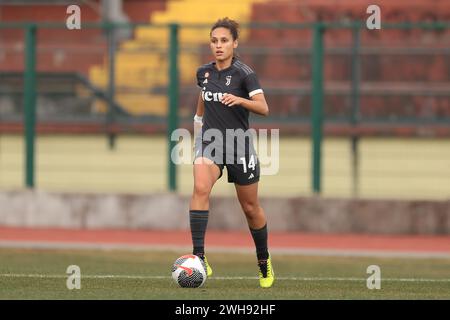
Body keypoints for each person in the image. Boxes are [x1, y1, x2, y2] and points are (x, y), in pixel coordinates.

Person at [189, 17, 274, 288]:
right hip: (210, 142)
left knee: (250, 208)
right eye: (214, 41)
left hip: (239, 145)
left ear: (235, 43)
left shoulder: (244, 74)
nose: (218, 45)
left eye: (224, 40)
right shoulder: (203, 72)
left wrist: (240, 100)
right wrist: (197, 129)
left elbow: (263, 108)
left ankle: (263, 261)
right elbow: (203, 99)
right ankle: (199, 258)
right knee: (200, 188)